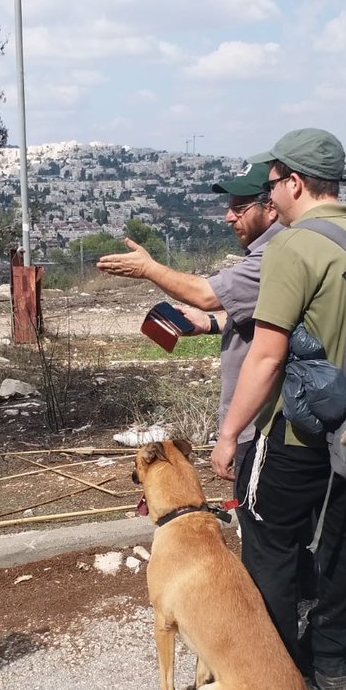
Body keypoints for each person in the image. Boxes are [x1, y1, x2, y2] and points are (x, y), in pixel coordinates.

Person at [210, 129, 346, 690]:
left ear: (294, 182)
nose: (269, 198)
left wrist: (229, 435)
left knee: (268, 540)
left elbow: (268, 356)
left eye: (272, 185)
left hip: (298, 433)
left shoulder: (292, 248)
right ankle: (331, 659)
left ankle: (278, 663)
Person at [96, 163, 282, 483]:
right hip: (257, 421)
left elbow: (206, 294)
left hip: (261, 423)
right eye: (229, 207)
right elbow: (267, 314)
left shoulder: (275, 254)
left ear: (271, 207)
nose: (228, 217)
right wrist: (209, 324)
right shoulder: (273, 250)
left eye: (239, 207)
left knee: (263, 520)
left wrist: (148, 269)